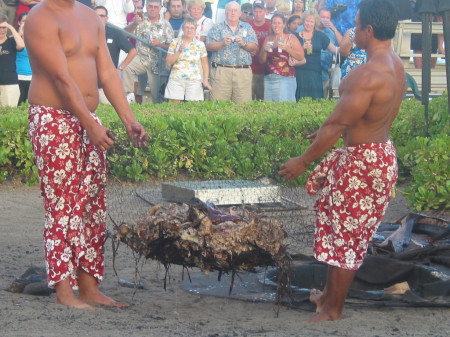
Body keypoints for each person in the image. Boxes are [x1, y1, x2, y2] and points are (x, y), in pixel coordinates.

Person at [279, 0, 403, 322]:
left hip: (362, 163)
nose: (353, 31)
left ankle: (332, 309)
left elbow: (337, 125)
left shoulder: (366, 73)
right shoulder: (396, 64)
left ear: (369, 30)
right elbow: (351, 119)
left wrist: (303, 161)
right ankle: (329, 296)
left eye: (357, 24)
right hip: (380, 155)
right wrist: (325, 134)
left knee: (346, 237)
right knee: (346, 233)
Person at [25, 0, 148, 309]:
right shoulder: (40, 17)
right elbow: (60, 78)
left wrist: (128, 119)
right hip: (53, 118)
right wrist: (88, 124)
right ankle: (64, 291)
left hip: (87, 120)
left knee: (92, 206)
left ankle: (89, 286)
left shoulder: (90, 16)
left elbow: (106, 71)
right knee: (63, 207)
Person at [206, 1, 258, 103]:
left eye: (235, 10)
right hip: (221, 71)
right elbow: (209, 45)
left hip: (242, 72)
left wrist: (244, 44)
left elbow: (254, 46)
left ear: (240, 13)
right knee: (218, 106)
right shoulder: (217, 27)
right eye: (230, 10)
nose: (233, 13)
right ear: (225, 12)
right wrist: (222, 44)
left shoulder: (247, 27)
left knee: (243, 107)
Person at [123, 0, 174, 103]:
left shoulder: (166, 25)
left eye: (155, 7)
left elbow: (172, 47)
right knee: (125, 66)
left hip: (158, 63)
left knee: (158, 98)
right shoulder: (139, 19)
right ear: (146, 6)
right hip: (141, 58)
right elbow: (124, 35)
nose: (153, 9)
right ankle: (129, 96)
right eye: (150, 6)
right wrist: (134, 24)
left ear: (160, 8)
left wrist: (159, 44)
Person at [95, 5, 137, 104]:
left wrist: (120, 68)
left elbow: (133, 51)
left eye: (102, 16)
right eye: (96, 15)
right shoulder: (86, 32)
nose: (99, 18)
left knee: (109, 114)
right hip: (89, 83)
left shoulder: (114, 33)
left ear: (107, 18)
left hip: (107, 84)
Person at [259, 13, 304, 102]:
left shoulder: (290, 37)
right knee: (269, 109)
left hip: (285, 78)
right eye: (274, 23)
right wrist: (264, 51)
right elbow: (261, 61)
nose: (276, 25)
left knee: (284, 108)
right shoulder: (269, 39)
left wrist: (286, 48)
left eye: (279, 23)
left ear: (284, 24)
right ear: (271, 24)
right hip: (269, 78)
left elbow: (301, 56)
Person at [295, 9, 338, 100]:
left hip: (315, 74)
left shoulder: (320, 36)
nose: (309, 23)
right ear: (303, 21)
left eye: (311, 21)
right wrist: (302, 48)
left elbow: (334, 49)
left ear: (315, 23)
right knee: (299, 102)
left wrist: (348, 47)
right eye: (307, 20)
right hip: (299, 73)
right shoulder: (295, 36)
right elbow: (291, 54)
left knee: (315, 103)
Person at [165, 17, 211, 102]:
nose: (189, 30)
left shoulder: (200, 44)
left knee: (193, 108)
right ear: (182, 28)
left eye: (192, 28)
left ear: (195, 30)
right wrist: (179, 51)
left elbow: (205, 64)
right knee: (174, 107)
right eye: (187, 27)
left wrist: (205, 80)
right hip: (176, 78)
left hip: (194, 79)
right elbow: (169, 62)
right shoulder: (175, 42)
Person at [0, 14, 24, 107]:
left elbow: (21, 45)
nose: (1, 30)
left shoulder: (12, 42)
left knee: (8, 114)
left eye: (4, 28)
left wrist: (10, 27)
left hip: (10, 84)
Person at [317, 7, 342, 96]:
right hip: (309, 71)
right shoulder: (308, 28)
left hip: (324, 73)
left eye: (327, 18)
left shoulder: (331, 32)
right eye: (322, 17)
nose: (325, 20)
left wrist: (333, 28)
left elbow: (343, 45)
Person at [249, 0, 271, 101]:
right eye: (256, 11)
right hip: (250, 69)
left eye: (260, 11)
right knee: (249, 100)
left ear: (265, 11)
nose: (258, 14)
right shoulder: (247, 26)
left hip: (266, 69)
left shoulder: (271, 25)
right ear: (252, 11)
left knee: (263, 100)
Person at [16, 11, 31, 105]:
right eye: (24, 21)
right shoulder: (12, 38)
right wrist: (19, 33)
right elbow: (17, 45)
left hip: (32, 78)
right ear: (19, 22)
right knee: (18, 104)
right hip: (18, 77)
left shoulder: (36, 39)